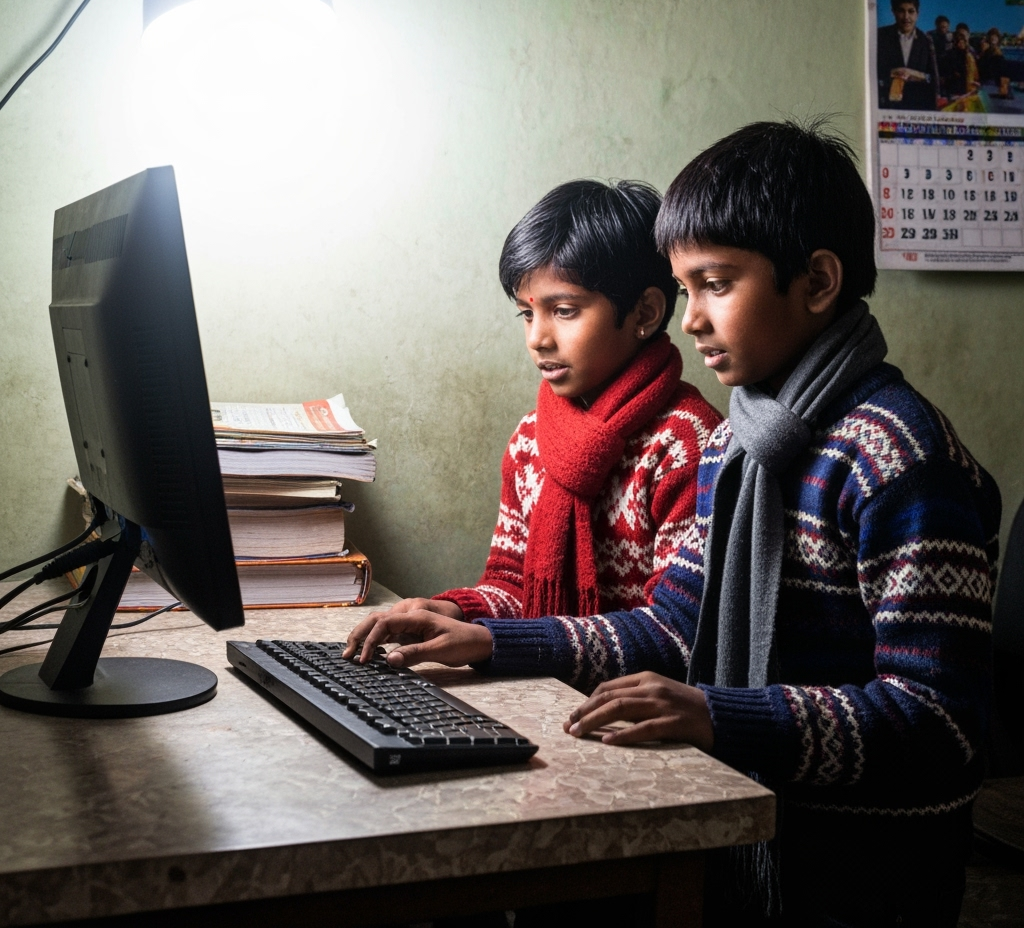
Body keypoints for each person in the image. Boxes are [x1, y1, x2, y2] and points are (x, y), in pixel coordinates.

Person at [346, 122, 1001, 928]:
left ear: (819, 281)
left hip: (858, 866)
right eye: (686, 289)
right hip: (745, 829)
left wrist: (718, 714)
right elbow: (672, 629)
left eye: (715, 285)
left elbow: (939, 723)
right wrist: (491, 637)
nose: (691, 320)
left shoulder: (898, 458)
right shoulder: (740, 445)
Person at [351, 179, 721, 633]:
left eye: (564, 310)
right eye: (527, 313)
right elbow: (512, 582)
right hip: (544, 674)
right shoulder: (531, 438)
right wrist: (457, 610)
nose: (537, 338)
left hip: (637, 694)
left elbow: (675, 629)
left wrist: (499, 642)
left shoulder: (687, 442)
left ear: (644, 313)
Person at [876, 0, 940, 109]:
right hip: (887, 107)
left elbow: (933, 80)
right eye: (901, 11)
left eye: (911, 11)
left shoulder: (926, 40)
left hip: (916, 109)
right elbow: (870, 73)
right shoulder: (880, 36)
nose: (906, 17)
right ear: (893, 12)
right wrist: (892, 73)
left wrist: (914, 74)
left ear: (917, 14)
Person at [946, 26, 980, 98]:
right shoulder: (950, 54)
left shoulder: (971, 54)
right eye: (958, 41)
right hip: (955, 90)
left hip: (969, 89)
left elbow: (976, 72)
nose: (960, 44)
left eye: (962, 41)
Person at [978, 26, 1009, 91]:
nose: (993, 38)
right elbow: (981, 66)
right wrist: (983, 52)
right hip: (985, 80)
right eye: (992, 36)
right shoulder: (985, 51)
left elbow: (1001, 70)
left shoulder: (999, 54)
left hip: (993, 81)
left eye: (995, 36)